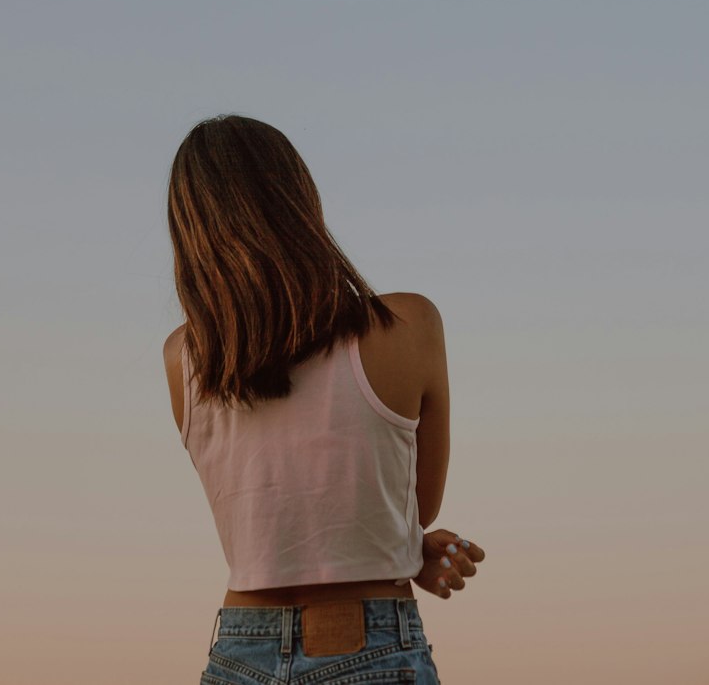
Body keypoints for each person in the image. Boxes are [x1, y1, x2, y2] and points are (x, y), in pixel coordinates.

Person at [163, 114, 486, 682]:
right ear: (297, 201)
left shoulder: (184, 359)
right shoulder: (408, 324)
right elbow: (415, 505)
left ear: (190, 229)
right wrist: (408, 549)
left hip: (238, 653)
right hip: (372, 645)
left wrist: (406, 546)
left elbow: (278, 515)